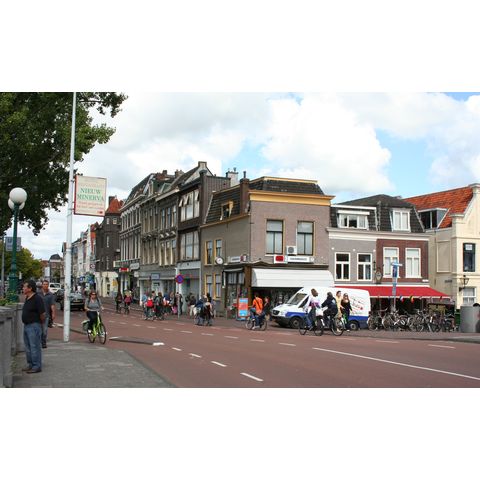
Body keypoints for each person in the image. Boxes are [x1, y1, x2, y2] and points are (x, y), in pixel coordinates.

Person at [21, 279, 46, 373]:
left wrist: (39, 324)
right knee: (28, 347)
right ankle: (30, 364)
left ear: (30, 288)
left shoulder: (37, 298)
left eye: (24, 287)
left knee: (34, 346)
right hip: (27, 325)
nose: (23, 288)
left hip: (34, 325)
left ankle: (36, 366)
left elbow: (42, 314)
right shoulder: (27, 298)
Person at [38, 279, 56, 348]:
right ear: (42, 285)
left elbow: (52, 305)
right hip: (38, 315)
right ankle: (39, 342)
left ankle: (43, 343)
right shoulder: (38, 293)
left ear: (48, 285)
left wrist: (53, 313)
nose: (45, 285)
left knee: (44, 330)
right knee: (38, 330)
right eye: (44, 284)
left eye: (46, 284)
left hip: (46, 315)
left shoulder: (50, 294)